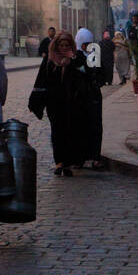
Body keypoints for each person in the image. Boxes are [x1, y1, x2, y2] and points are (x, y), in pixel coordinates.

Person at [31, 30, 92, 176]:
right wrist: (36, 102)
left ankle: (69, 162)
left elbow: (86, 79)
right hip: (55, 103)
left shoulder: (77, 60)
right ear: (57, 46)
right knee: (57, 131)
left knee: (71, 132)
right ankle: (59, 162)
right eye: (61, 45)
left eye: (67, 45)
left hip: (73, 103)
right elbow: (41, 81)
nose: (64, 48)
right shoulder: (49, 61)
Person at [74, 27, 105, 169]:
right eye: (84, 44)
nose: (87, 46)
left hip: (93, 97)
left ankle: (94, 156)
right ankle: (80, 157)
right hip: (79, 98)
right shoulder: (75, 57)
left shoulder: (95, 56)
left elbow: (101, 75)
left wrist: (96, 81)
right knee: (80, 127)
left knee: (95, 127)